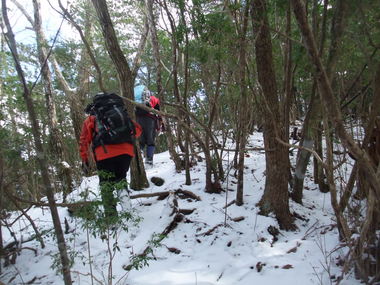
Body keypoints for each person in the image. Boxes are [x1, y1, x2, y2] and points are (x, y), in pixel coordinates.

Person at [79, 92, 142, 219]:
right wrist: (120, 139)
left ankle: (112, 218)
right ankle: (128, 212)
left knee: (106, 185)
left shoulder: (92, 118)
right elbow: (138, 130)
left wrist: (85, 160)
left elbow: (84, 141)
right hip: (126, 152)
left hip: (105, 154)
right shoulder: (120, 113)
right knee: (121, 179)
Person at [134, 85, 163, 166]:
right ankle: (149, 160)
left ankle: (138, 159)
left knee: (140, 141)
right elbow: (158, 112)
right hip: (150, 120)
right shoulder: (153, 99)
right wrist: (160, 124)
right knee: (150, 141)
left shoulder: (136, 100)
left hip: (138, 119)